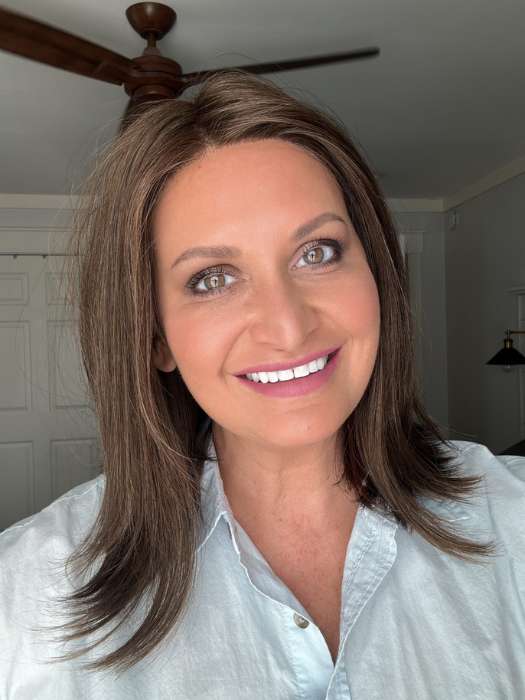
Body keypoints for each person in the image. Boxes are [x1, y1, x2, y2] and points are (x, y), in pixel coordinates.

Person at [0, 69, 524, 699]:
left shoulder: (512, 523)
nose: (287, 326)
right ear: (155, 336)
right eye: (213, 278)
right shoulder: (29, 596)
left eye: (317, 252)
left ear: (377, 273)